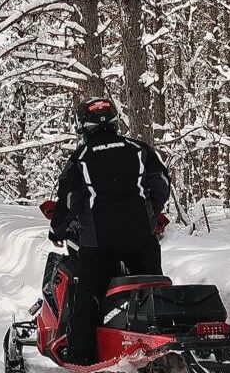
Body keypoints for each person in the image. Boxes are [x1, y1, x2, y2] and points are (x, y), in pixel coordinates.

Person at [47, 97, 171, 364]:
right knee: (152, 291)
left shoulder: (80, 157)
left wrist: (57, 230)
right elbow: (161, 183)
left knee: (87, 294)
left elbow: (69, 200)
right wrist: (150, 213)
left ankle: (82, 356)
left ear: (82, 124)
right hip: (141, 239)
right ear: (114, 120)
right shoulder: (139, 149)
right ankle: (162, 348)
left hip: (98, 243)